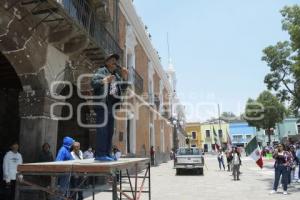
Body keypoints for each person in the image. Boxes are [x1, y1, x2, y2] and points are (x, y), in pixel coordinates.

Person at [91, 53, 128, 161]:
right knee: (102, 129)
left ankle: (107, 153)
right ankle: (100, 154)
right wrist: (104, 80)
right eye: (112, 60)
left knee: (110, 130)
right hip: (102, 104)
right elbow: (93, 82)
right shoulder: (101, 71)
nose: (114, 62)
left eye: (115, 61)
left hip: (112, 105)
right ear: (107, 62)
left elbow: (123, 87)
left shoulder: (116, 76)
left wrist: (124, 77)